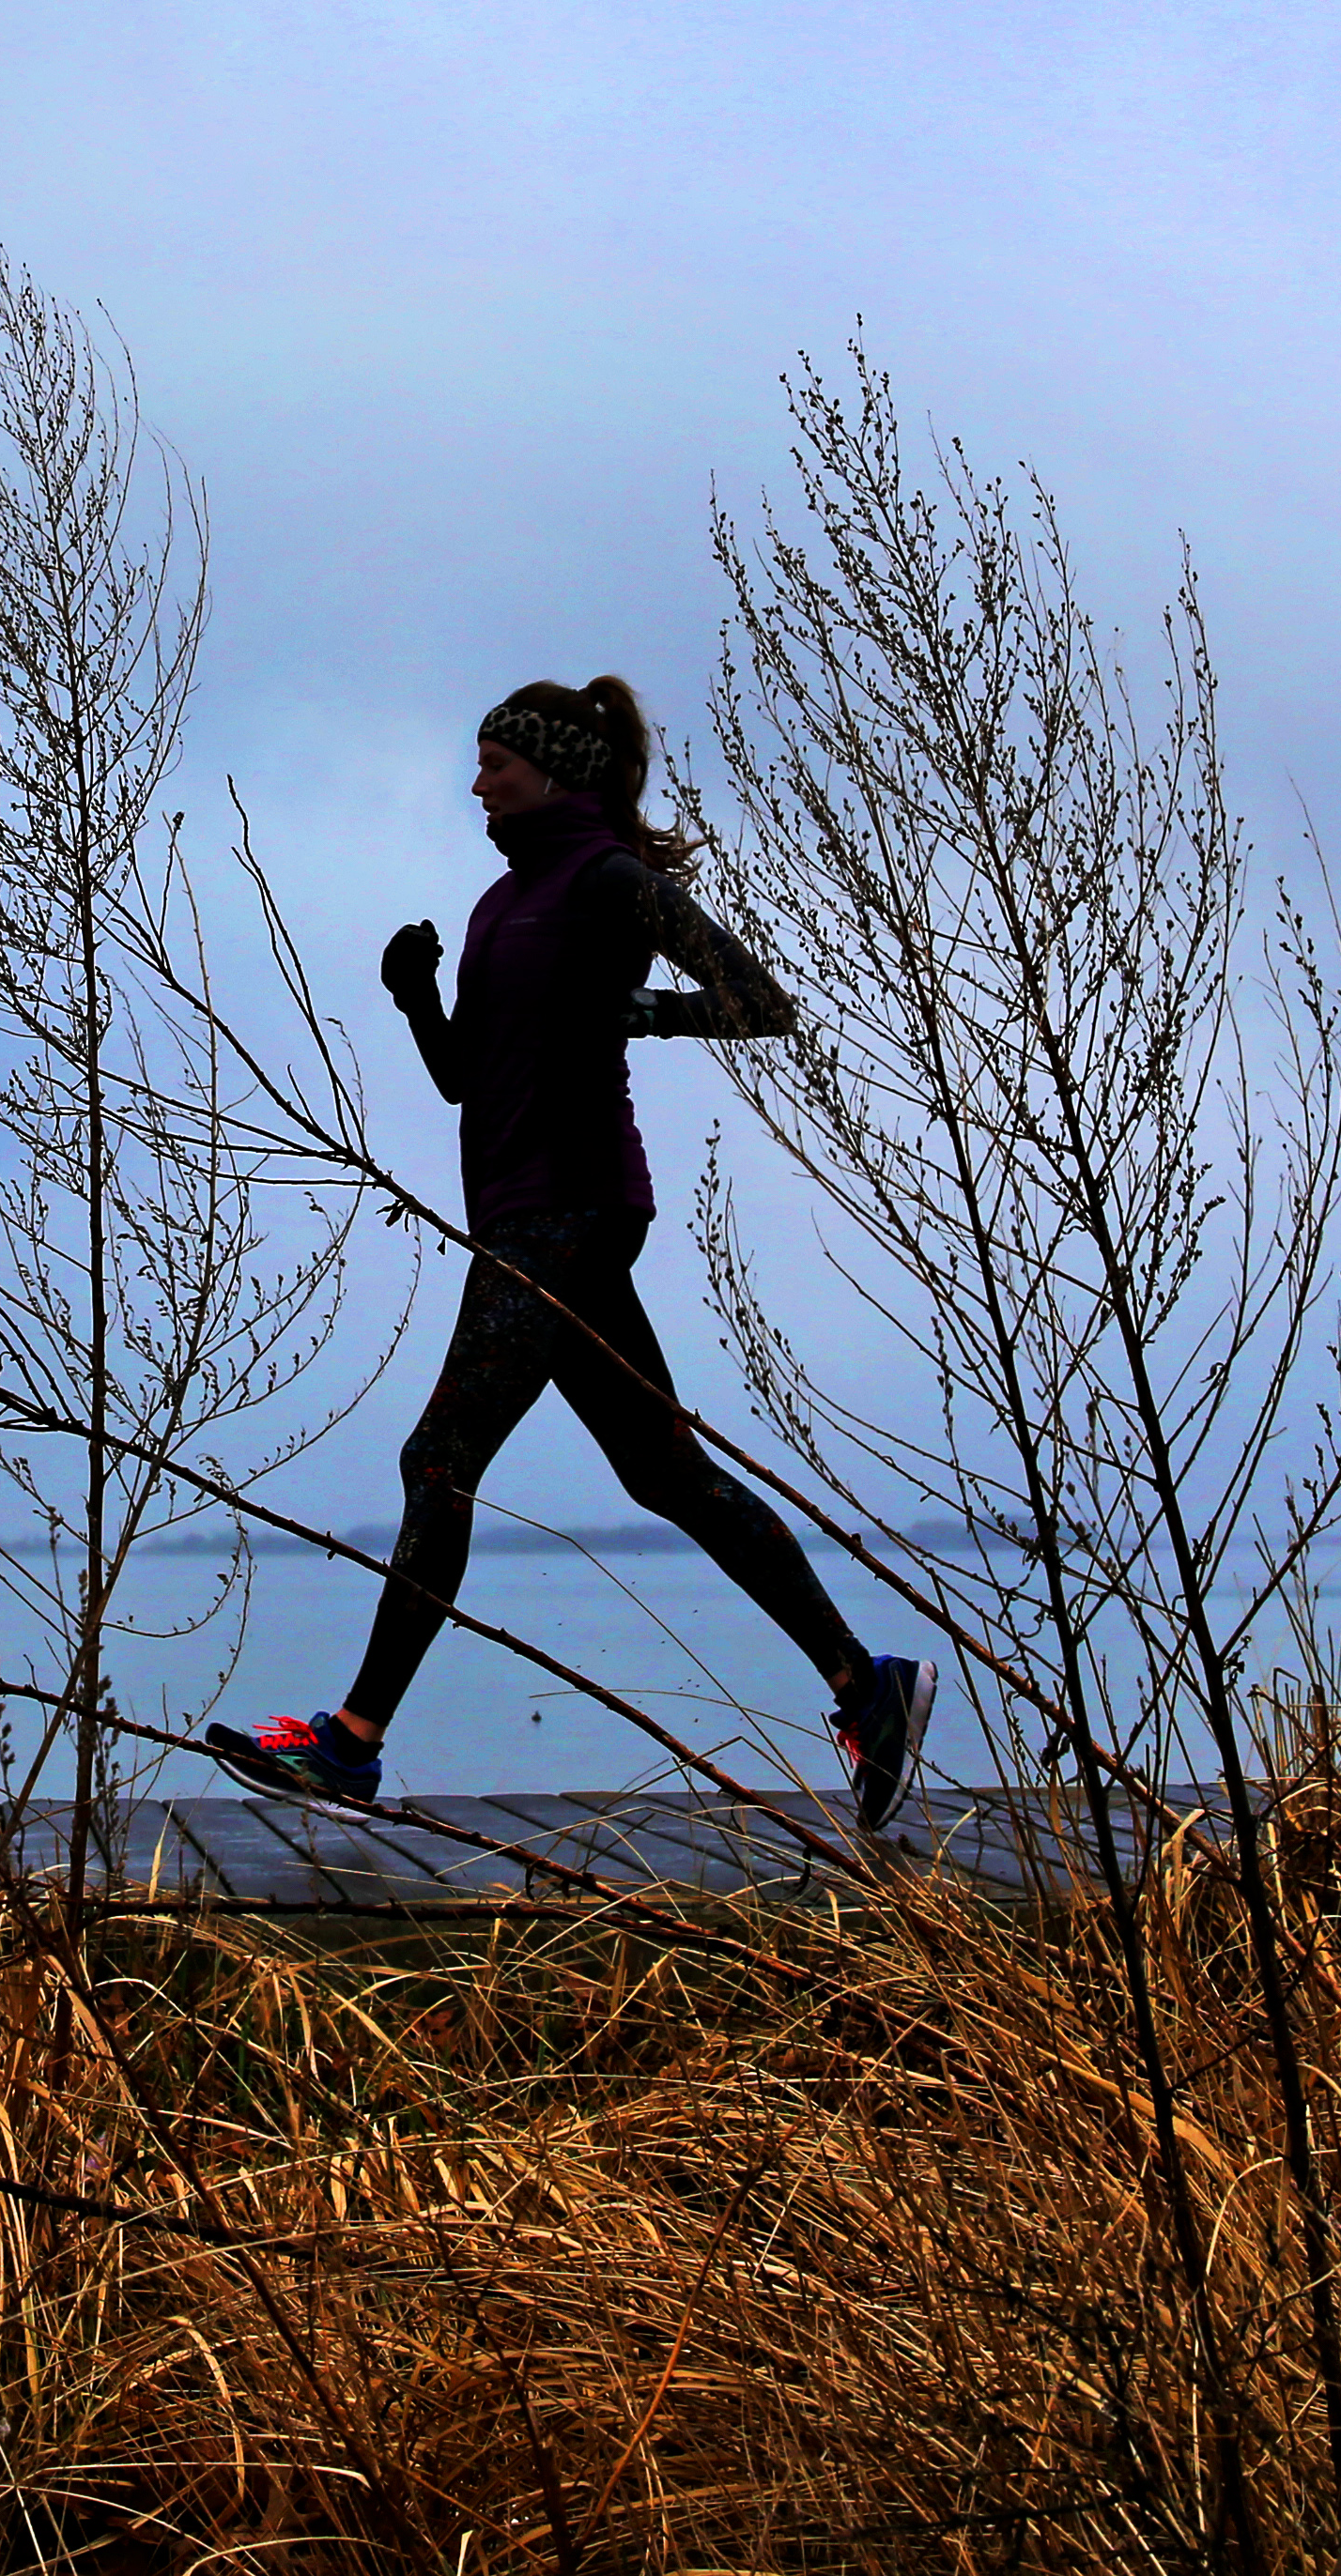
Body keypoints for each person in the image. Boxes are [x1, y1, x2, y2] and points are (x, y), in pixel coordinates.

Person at [206, 677, 926, 1828]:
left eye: (494, 761)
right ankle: (866, 1684)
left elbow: (758, 1001)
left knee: (438, 1458)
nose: (476, 781)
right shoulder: (499, 907)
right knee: (663, 1476)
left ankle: (349, 1744)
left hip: (572, 1206)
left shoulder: (610, 884)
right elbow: (463, 1081)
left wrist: (641, 1015)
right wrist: (416, 999)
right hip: (519, 1206)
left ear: (552, 768)